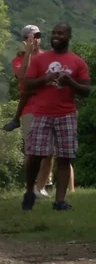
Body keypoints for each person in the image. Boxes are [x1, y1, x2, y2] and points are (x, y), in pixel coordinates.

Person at [21, 22, 91, 211]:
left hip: (67, 115)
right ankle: (29, 191)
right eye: (53, 33)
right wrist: (45, 78)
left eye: (60, 33)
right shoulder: (39, 60)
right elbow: (27, 84)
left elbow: (87, 90)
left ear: (69, 36)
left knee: (65, 157)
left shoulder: (77, 62)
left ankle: (59, 200)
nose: (56, 36)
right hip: (41, 113)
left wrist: (71, 83)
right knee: (35, 155)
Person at [6, 25, 54, 197]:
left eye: (39, 36)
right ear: (25, 40)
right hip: (30, 109)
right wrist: (27, 54)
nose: (37, 40)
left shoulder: (48, 57)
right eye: (33, 37)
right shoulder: (18, 59)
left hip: (48, 107)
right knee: (33, 151)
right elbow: (22, 76)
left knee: (49, 152)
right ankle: (30, 188)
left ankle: (40, 188)